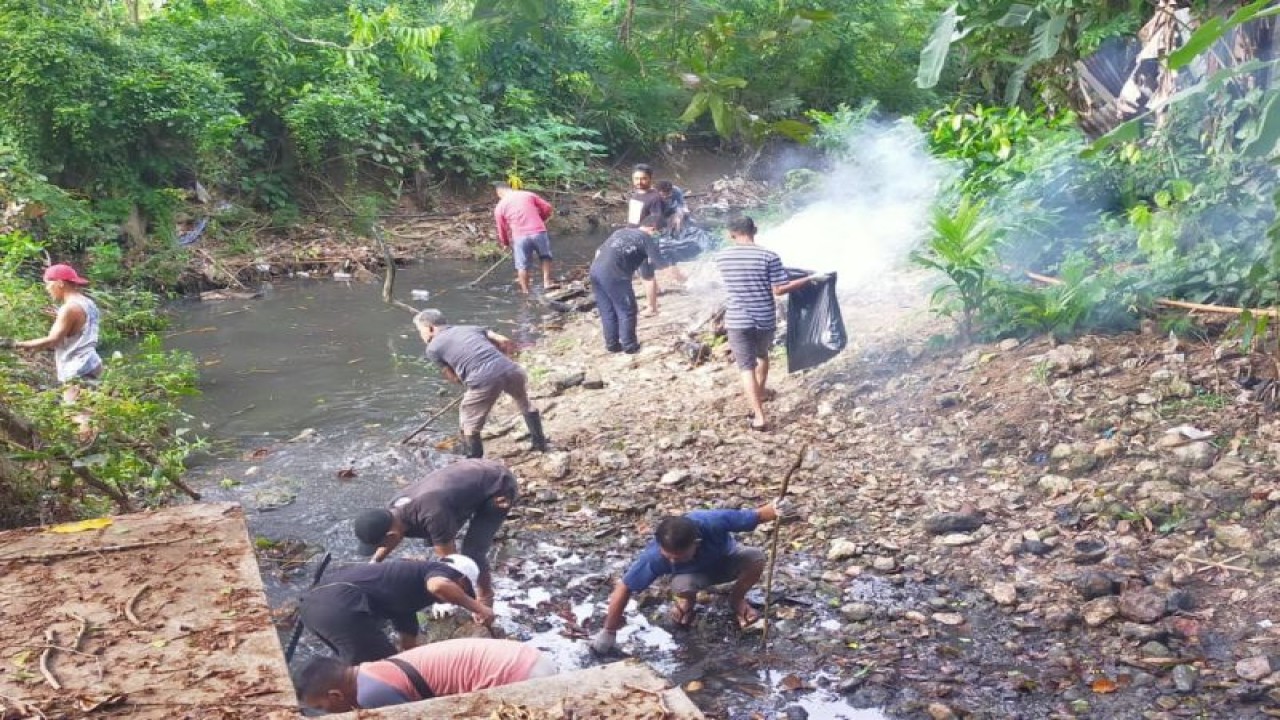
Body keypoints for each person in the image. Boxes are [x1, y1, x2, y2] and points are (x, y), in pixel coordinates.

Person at [589, 499, 797, 655]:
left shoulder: (713, 522)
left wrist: (779, 507)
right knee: (683, 584)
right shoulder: (654, 557)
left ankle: (736, 599)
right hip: (690, 577)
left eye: (678, 557)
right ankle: (687, 602)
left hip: (726, 560)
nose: (670, 561)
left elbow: (757, 515)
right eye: (667, 556)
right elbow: (624, 588)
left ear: (696, 542)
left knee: (756, 557)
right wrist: (609, 631)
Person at [352, 458, 517, 608]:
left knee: (472, 552)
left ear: (390, 536)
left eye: (379, 545)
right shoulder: (394, 510)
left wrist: (451, 598)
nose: (380, 548)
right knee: (435, 539)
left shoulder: (432, 515)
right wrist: (375, 563)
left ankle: (486, 597)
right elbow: (393, 536)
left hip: (499, 486)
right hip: (473, 473)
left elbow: (453, 566)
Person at [714, 217, 817, 431]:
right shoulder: (769, 256)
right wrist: (808, 279)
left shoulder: (722, 257)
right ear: (756, 230)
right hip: (764, 318)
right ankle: (760, 391)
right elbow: (779, 290)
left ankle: (759, 416)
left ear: (730, 234)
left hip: (737, 319)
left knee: (745, 368)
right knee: (761, 356)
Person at [298, 556, 493, 664]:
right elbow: (438, 586)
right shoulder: (438, 570)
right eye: (464, 590)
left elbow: (408, 646)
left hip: (310, 608)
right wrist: (478, 608)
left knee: (358, 667)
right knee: (386, 670)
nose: (458, 598)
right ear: (461, 580)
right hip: (340, 606)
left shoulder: (406, 597)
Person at [414, 310, 548, 458]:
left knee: (468, 421)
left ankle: (474, 460)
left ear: (431, 328)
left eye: (420, 331)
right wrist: (506, 359)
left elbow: (452, 376)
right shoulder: (471, 328)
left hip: (483, 378)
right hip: (511, 369)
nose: (421, 336)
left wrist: (471, 384)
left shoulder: (433, 348)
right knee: (524, 403)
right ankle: (540, 444)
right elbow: (503, 340)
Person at [295, 638, 558, 713]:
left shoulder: (372, 693)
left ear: (335, 694)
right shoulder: (368, 672)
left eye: (321, 708)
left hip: (521, 676)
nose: (327, 714)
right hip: (526, 657)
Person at [16, 264, 103, 399]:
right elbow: (79, 326)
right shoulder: (88, 303)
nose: (47, 289)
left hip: (77, 366)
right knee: (88, 408)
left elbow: (53, 340)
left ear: (60, 283)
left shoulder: (69, 308)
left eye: (48, 284)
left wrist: (17, 344)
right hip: (91, 362)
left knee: (76, 414)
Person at [588, 214, 665, 354]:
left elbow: (598, 251)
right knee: (627, 309)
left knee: (607, 309)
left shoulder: (621, 231)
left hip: (595, 270)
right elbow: (661, 265)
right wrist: (682, 278)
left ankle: (612, 345)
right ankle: (630, 346)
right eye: (659, 232)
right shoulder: (646, 238)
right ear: (653, 228)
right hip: (614, 274)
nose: (659, 235)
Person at [492, 182, 555, 294]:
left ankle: (526, 292)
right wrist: (542, 218)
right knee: (545, 257)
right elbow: (547, 207)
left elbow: (502, 228)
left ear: (499, 192)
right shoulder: (527, 195)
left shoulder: (499, 207)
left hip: (520, 237)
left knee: (522, 266)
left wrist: (505, 243)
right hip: (538, 231)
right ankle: (547, 282)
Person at [627, 164, 665, 228]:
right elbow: (633, 220)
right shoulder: (635, 194)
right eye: (636, 178)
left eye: (643, 179)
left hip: (643, 235)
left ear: (650, 178)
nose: (639, 182)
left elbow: (656, 223)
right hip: (631, 233)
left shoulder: (655, 198)